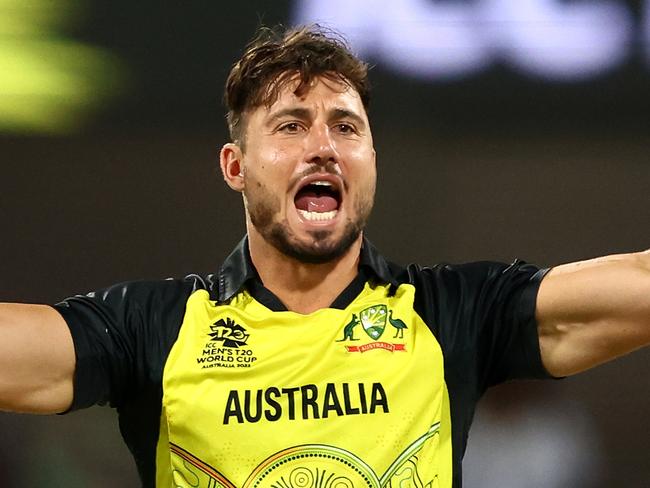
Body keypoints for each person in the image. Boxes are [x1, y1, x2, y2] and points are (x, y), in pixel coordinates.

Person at [1, 24, 649, 488]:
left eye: (346, 126)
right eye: (289, 125)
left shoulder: (454, 312)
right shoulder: (152, 327)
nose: (323, 146)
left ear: (370, 161)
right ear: (236, 166)